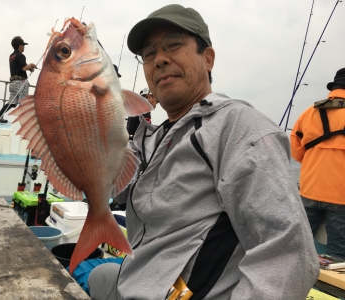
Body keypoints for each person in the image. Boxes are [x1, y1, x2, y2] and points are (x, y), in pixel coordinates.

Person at [88, 4, 319, 299]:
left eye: (173, 45)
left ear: (208, 58)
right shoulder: (152, 137)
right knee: (100, 274)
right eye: (148, 54)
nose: (159, 59)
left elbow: (289, 254)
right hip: (136, 276)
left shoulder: (238, 127)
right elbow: (114, 191)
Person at [291, 68, 345, 259]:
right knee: (338, 255)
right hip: (341, 196)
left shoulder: (310, 111)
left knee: (297, 246)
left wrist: (314, 163)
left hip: (309, 189)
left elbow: (295, 147)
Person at [0, 36, 36, 123]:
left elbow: (20, 66)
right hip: (21, 82)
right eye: (23, 45)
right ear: (20, 46)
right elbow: (24, 68)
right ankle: (22, 123)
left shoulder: (12, 56)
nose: (24, 47)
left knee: (12, 102)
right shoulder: (21, 56)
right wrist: (31, 65)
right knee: (23, 102)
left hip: (13, 82)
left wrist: (29, 68)